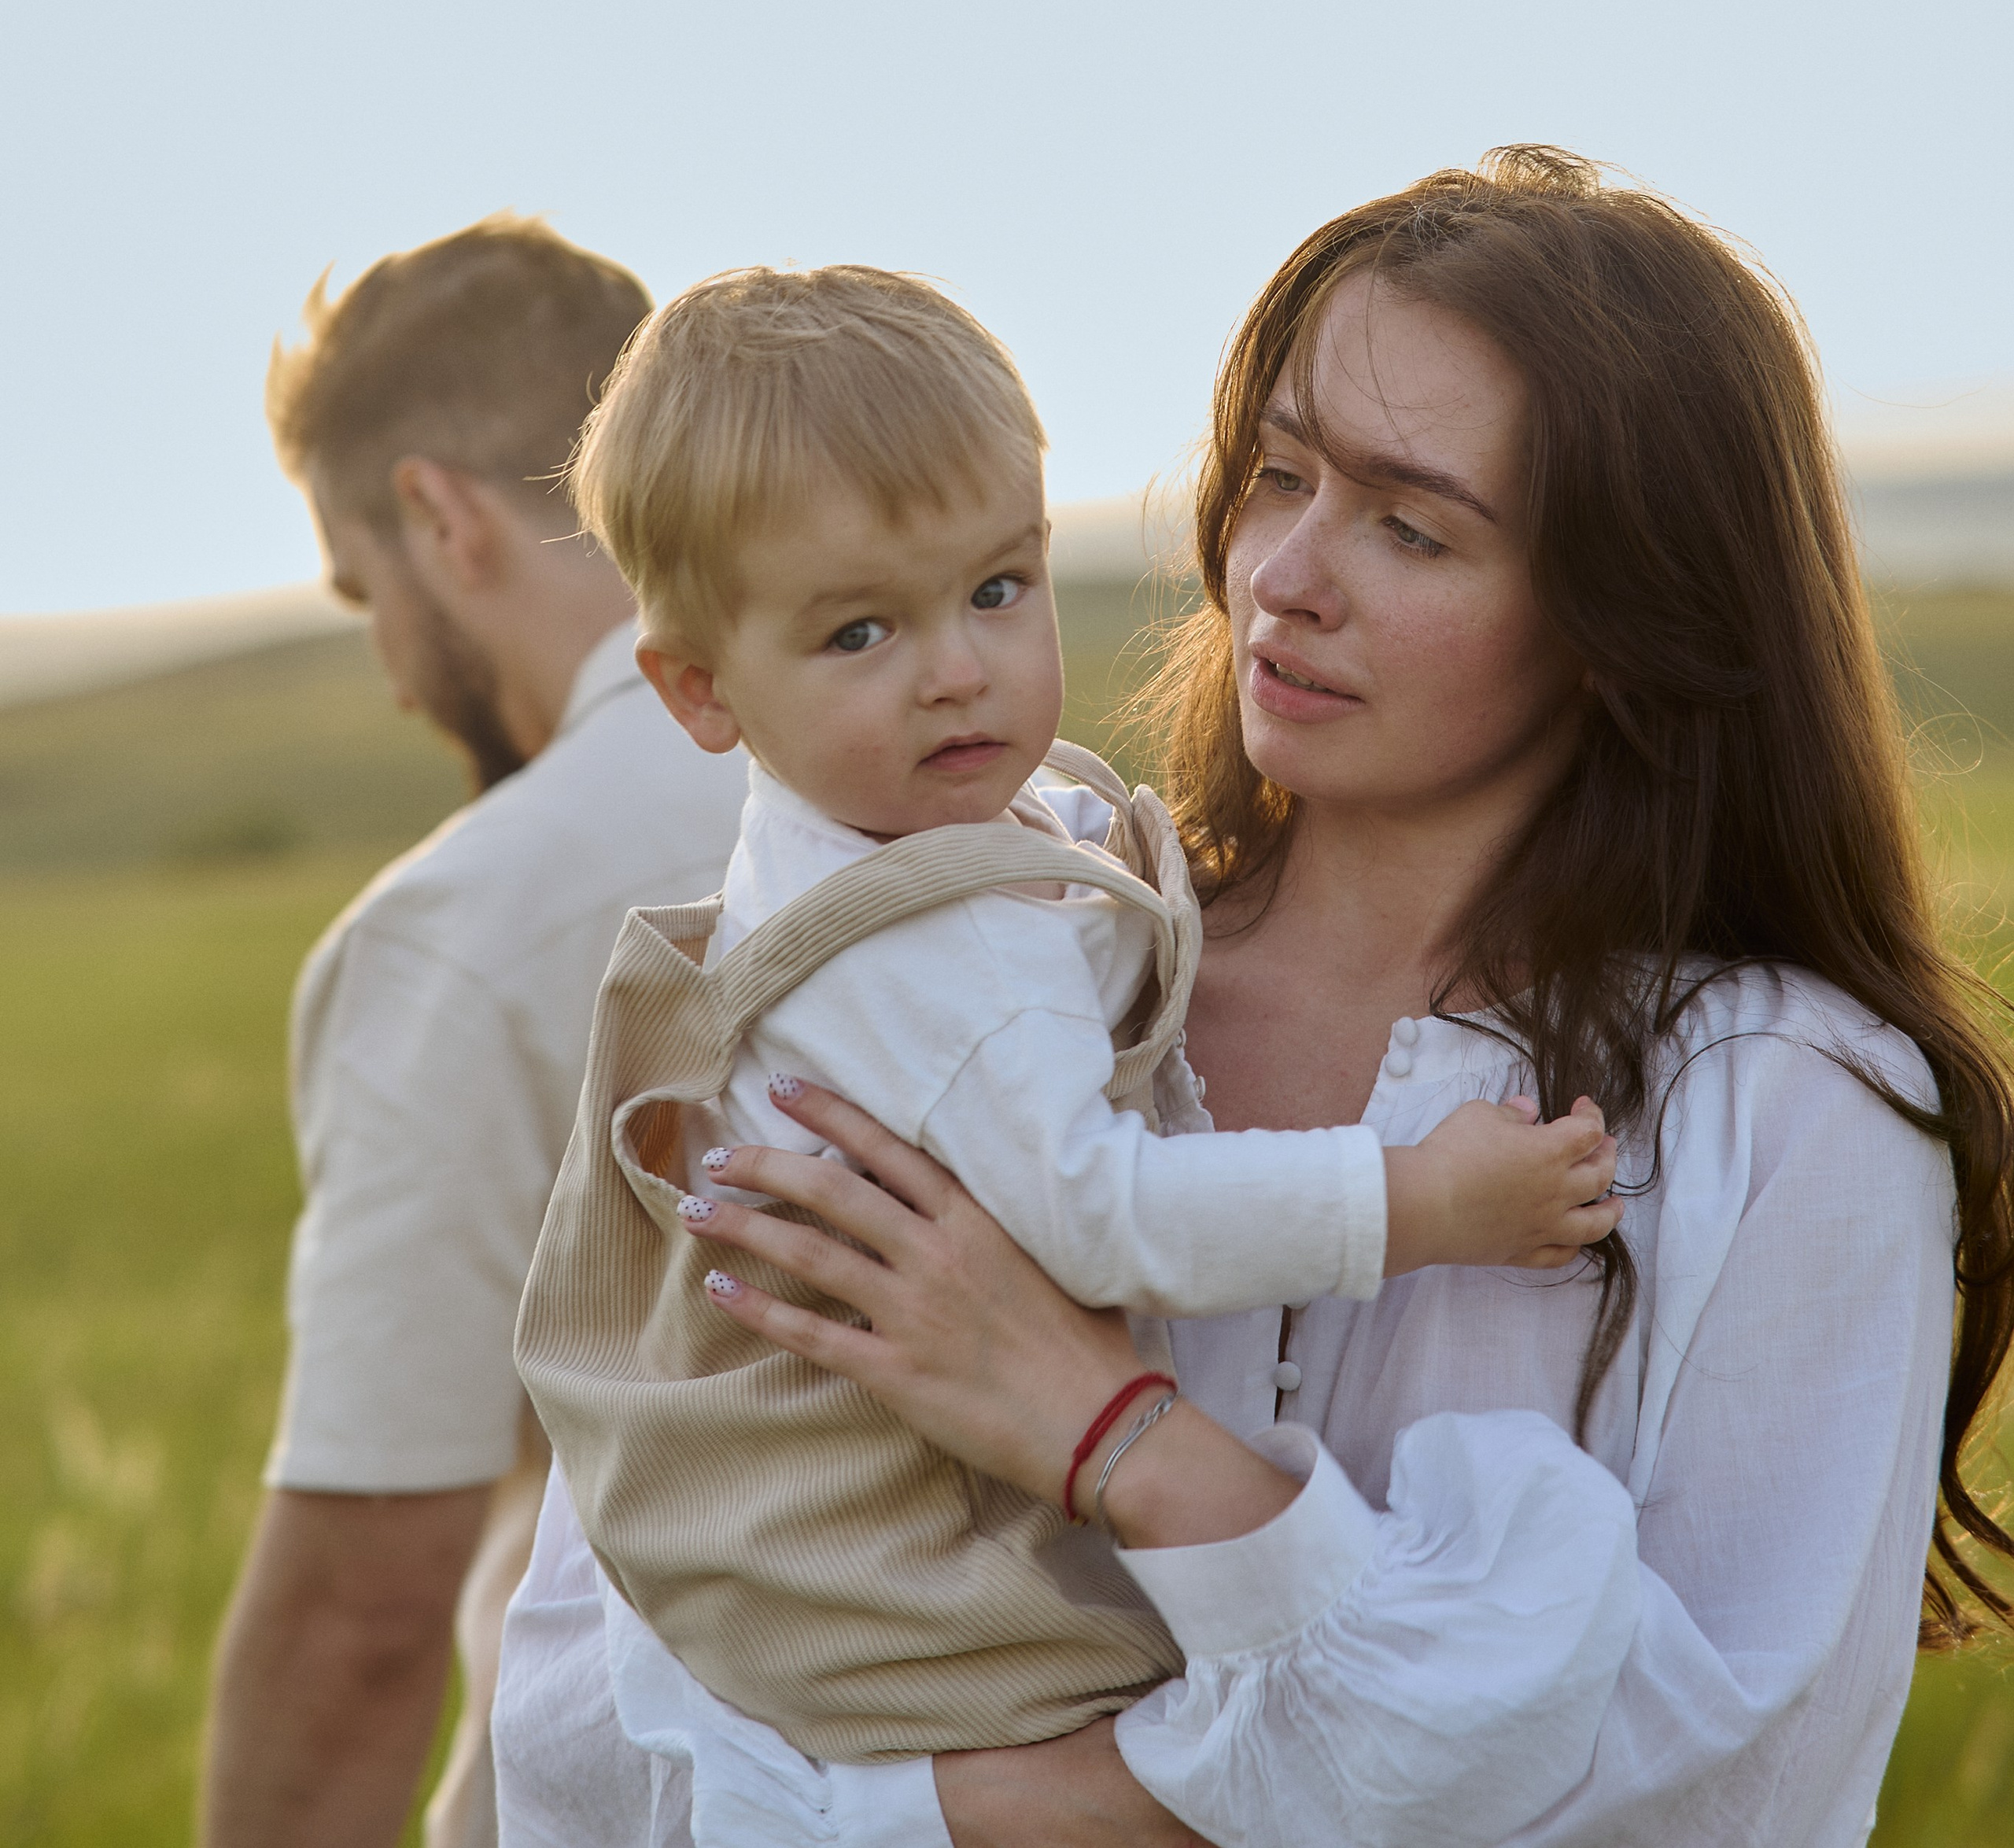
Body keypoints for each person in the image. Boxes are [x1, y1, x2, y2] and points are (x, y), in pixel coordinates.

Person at [492, 150, 2014, 1848]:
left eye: (1408, 522)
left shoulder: (1786, 1109)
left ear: (1621, 612)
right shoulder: (973, 973)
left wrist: (1103, 1432)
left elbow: (1708, 1794)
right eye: (1274, 472)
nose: (1283, 570)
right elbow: (579, 1710)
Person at [512, 265, 1617, 1764]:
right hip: (926, 1597)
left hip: (795, 1593)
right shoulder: (931, 956)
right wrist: (1421, 1197)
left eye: (995, 589)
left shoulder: (865, 844)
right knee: (1373, 1726)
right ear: (699, 689)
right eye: (859, 634)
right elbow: (1098, 1218)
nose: (957, 671)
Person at [200, 216, 747, 1848]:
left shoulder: (457, 934)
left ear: (437, 518)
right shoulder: (997, 781)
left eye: (367, 590)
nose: (386, 669)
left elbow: (356, 1628)